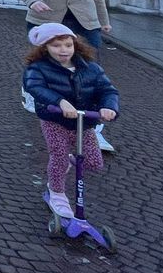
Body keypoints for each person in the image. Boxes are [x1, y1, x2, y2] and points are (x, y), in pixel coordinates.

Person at [12, 0, 114, 151]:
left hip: (84, 20)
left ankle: (92, 128)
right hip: (46, 16)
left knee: (90, 72)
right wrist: (31, 1)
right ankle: (38, 96)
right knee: (43, 65)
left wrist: (103, 19)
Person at [21, 23, 119, 219]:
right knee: (58, 158)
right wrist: (60, 102)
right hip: (55, 121)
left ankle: (66, 161)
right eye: (56, 46)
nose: (63, 50)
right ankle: (56, 192)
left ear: (75, 45)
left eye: (67, 45)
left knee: (93, 163)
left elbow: (107, 90)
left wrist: (109, 107)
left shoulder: (91, 68)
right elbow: (34, 86)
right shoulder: (38, 68)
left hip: (84, 122)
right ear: (45, 48)